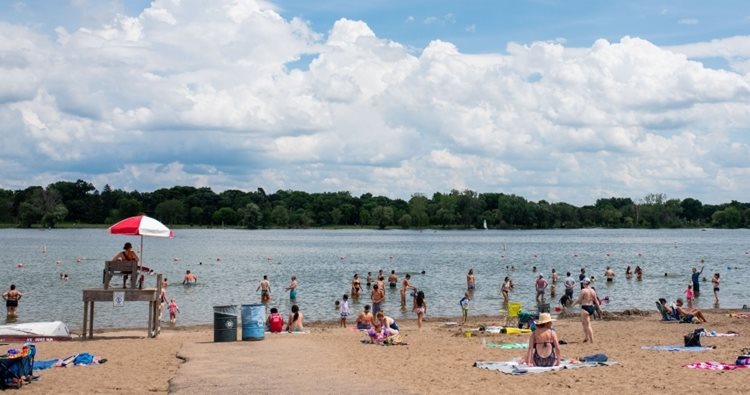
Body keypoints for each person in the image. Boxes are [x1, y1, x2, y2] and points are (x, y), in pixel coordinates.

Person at [574, 279, 600, 343]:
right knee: (584, 323)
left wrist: (573, 304)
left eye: (582, 283)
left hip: (585, 308)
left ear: (584, 283)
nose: (582, 284)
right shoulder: (593, 290)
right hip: (591, 307)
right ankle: (586, 337)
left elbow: (579, 300)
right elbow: (596, 301)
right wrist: (599, 309)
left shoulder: (583, 290)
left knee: (588, 325)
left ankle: (591, 340)